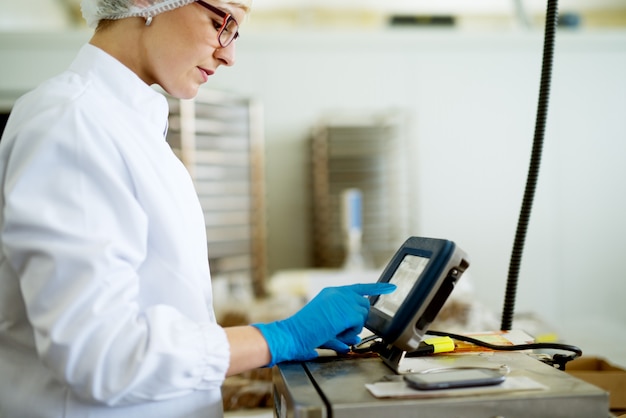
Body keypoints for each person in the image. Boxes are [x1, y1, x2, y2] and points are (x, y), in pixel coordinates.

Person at [0, 0, 396, 417]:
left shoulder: (128, 127)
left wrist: (280, 335)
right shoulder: (73, 123)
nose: (230, 54)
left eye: (236, 33)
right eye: (220, 23)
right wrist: (279, 338)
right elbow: (101, 355)